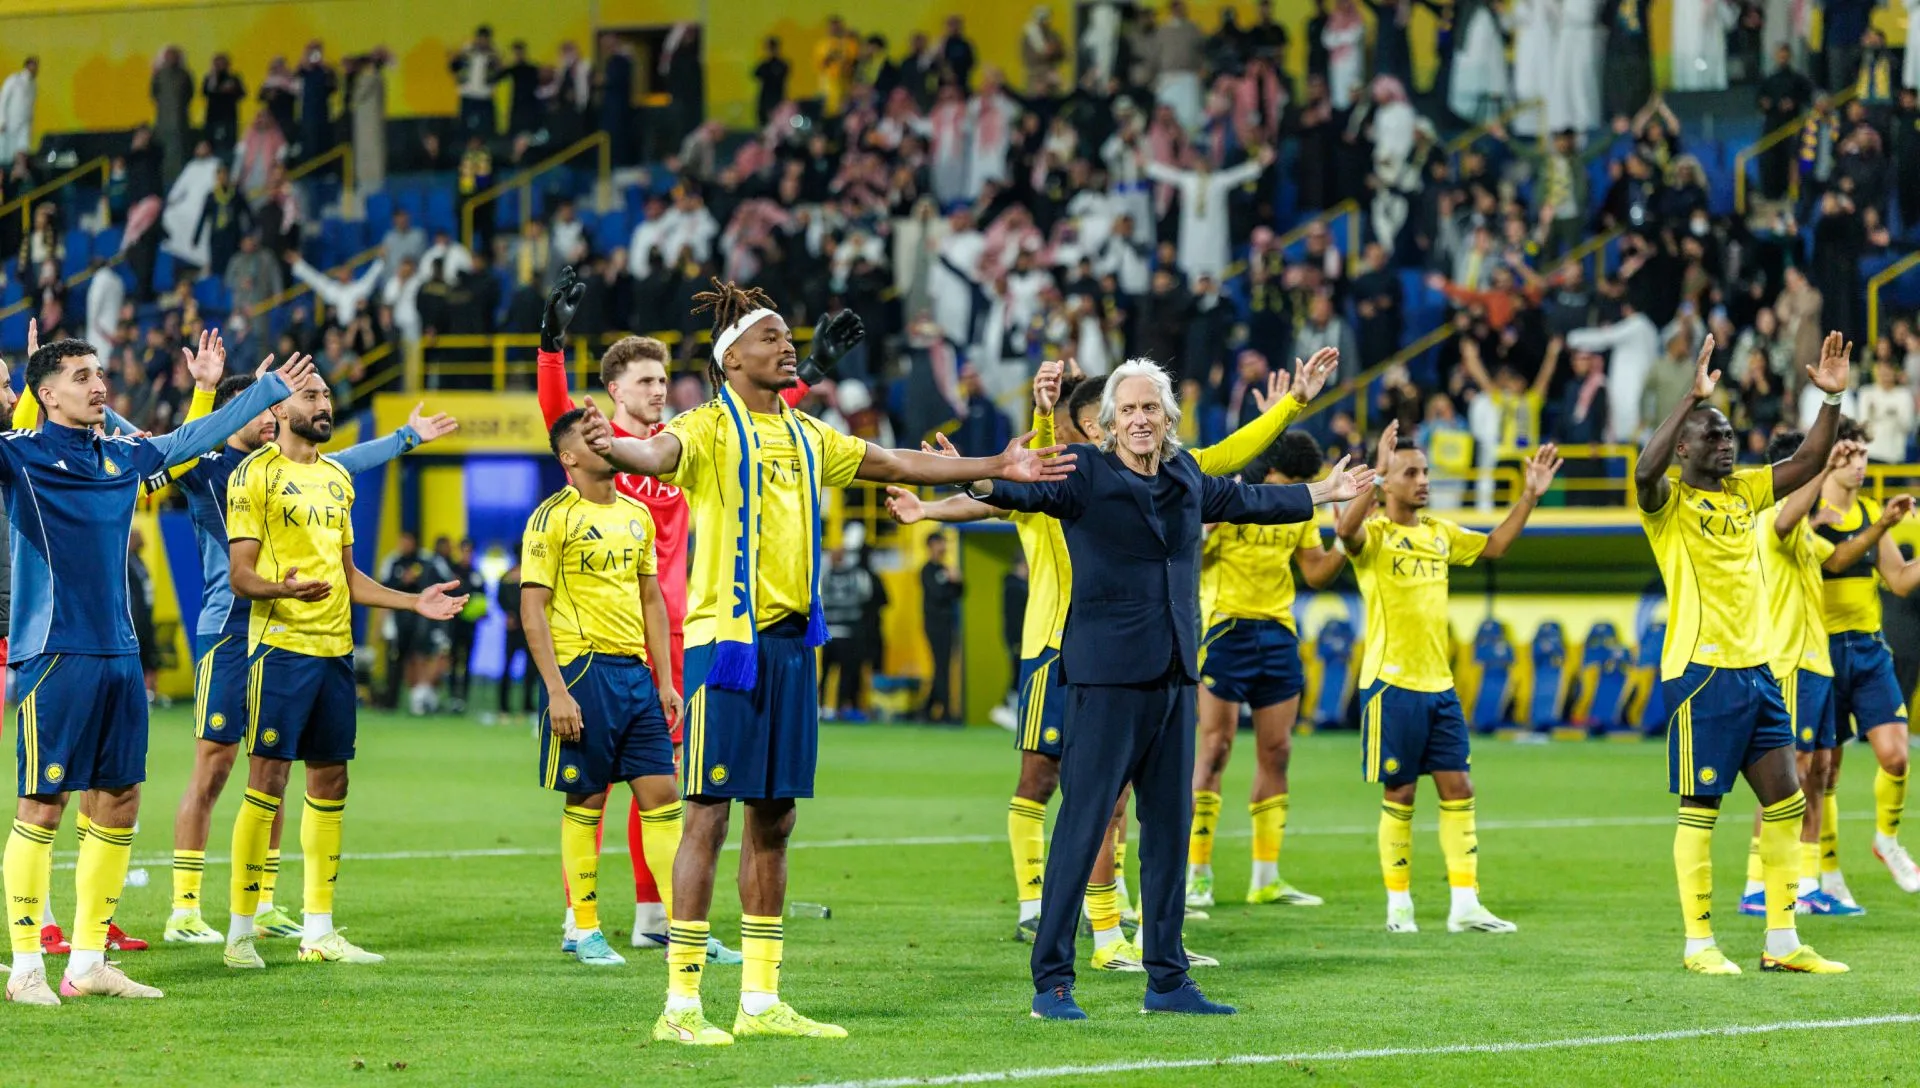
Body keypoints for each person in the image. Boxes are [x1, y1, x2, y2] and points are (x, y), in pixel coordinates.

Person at [576, 278, 1073, 1044]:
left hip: (789, 650)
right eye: (772, 338)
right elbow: (656, 449)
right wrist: (620, 447)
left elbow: (900, 464)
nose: (787, 347)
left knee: (775, 818)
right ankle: (680, 1006)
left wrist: (998, 462)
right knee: (707, 816)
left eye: (786, 339)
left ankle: (760, 999)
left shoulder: (811, 435)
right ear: (731, 357)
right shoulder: (706, 427)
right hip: (726, 650)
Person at [889, 352, 1336, 963]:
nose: (1133, 421)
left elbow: (1237, 472)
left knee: (1146, 810)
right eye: (1122, 411)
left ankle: (1152, 951)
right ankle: (1059, 924)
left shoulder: (1177, 476)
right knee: (1070, 794)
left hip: (1163, 662)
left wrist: (1307, 446)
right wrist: (957, 482)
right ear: (1100, 423)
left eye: (1148, 408)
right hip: (1069, 651)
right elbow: (1010, 489)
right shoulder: (1074, 475)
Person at [1, 339, 312, 1005]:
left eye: (100, 373)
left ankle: (87, 963)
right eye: (80, 377)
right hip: (53, 654)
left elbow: (195, 437)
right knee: (43, 804)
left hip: (119, 654)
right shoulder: (18, 456)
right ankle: (26, 966)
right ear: (47, 394)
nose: (98, 385)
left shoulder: (120, 455)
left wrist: (264, 394)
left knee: (119, 800)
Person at [161, 340, 456, 946]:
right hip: (230, 626)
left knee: (275, 770)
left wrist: (405, 438)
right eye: (262, 405)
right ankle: (185, 906)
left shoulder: (295, 469)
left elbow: (343, 461)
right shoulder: (209, 465)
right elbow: (178, 446)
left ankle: (264, 902)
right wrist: (205, 392)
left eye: (277, 405)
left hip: (294, 629)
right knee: (215, 764)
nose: (271, 416)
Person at [534, 276, 747, 963]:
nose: (662, 391)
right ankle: (582, 921)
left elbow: (746, 424)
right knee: (591, 787)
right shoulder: (597, 454)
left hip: (675, 632)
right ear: (614, 393)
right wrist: (551, 345)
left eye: (664, 381)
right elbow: (557, 414)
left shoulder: (676, 447)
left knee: (663, 781)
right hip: (595, 641)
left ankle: (657, 917)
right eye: (648, 382)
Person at [1636, 331, 1851, 976]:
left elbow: (1810, 459)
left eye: (1730, 435)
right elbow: (1644, 471)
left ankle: (1782, 942)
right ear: (1685, 448)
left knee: (1786, 802)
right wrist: (1689, 396)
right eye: (1714, 435)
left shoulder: (1745, 493)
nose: (1727, 444)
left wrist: (1832, 399)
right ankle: (1698, 943)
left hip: (1758, 670)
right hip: (1702, 673)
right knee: (1701, 807)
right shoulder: (1669, 504)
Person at [1340, 419, 1559, 935]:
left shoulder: (1440, 534)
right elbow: (1344, 532)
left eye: (1425, 471)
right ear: (1386, 483)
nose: (1422, 480)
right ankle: (1399, 907)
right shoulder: (1374, 536)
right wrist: (1372, 471)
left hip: (1439, 687)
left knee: (1459, 787)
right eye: (1410, 471)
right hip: (1391, 686)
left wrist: (1528, 497)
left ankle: (1465, 904)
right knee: (1401, 793)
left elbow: (1495, 547)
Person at [522, 408, 684, 968]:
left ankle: (682, 928)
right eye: (592, 439)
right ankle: (585, 929)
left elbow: (652, 601)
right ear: (568, 458)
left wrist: (664, 680)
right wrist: (556, 691)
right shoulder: (552, 518)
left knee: (663, 799)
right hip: (583, 672)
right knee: (586, 801)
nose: (606, 442)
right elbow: (532, 610)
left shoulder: (638, 514)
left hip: (636, 675)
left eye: (606, 435)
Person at [1187, 431, 1347, 911]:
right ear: (1269, 470)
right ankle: (1197, 873)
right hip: (1224, 629)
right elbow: (1187, 553)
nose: (1295, 487)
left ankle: (1266, 878)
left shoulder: (1299, 505)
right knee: (1214, 749)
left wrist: (1347, 542)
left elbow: (1315, 570)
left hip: (1278, 631)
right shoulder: (1231, 496)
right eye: (1289, 479)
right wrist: (1205, 528)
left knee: (1277, 752)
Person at [1736, 432, 1861, 922]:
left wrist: (1859, 525)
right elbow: (1788, 518)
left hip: (1817, 663)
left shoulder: (1805, 528)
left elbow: (1837, 559)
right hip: (1788, 663)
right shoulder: (1772, 518)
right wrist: (1823, 469)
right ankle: (1756, 885)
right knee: (1789, 777)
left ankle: (1805, 881)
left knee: (1819, 775)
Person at [1801, 420, 1920, 900]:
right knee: (1823, 771)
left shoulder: (1871, 511)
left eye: (1864, 456)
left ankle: (1886, 841)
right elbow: (1836, 560)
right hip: (1820, 651)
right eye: (1851, 455)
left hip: (1868, 650)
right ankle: (1829, 875)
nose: (1860, 464)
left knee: (1895, 755)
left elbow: (1900, 580)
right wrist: (1883, 526)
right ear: (1831, 458)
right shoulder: (1810, 514)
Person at [919, 534, 964, 722]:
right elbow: (937, 594)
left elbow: (960, 593)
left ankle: (927, 709)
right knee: (941, 666)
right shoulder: (927, 570)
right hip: (934, 624)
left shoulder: (946, 569)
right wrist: (951, 582)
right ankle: (944, 712)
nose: (943, 547)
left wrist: (957, 581)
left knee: (943, 666)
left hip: (948, 623)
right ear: (930, 546)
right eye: (939, 543)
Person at [451, 26, 500, 137]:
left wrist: (498, 61)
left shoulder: (494, 53)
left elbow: (499, 73)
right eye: (480, 38)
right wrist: (455, 57)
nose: (482, 41)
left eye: (485, 39)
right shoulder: (466, 50)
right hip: (467, 94)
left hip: (485, 96)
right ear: (477, 38)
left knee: (488, 129)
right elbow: (454, 68)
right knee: (464, 129)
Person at [201, 54, 244, 154]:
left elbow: (242, 94)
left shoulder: (234, 78)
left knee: (229, 143)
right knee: (211, 143)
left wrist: (232, 90)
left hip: (229, 116)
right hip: (212, 117)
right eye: (217, 63)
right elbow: (204, 93)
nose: (220, 66)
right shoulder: (209, 78)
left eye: (222, 63)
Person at [0, 56, 36, 164]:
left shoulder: (34, 85)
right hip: (10, 123)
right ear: (27, 66)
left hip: (24, 124)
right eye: (33, 65)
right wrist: (2, 120)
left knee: (22, 149)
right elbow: (3, 99)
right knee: (6, 152)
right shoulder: (14, 80)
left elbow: (30, 104)